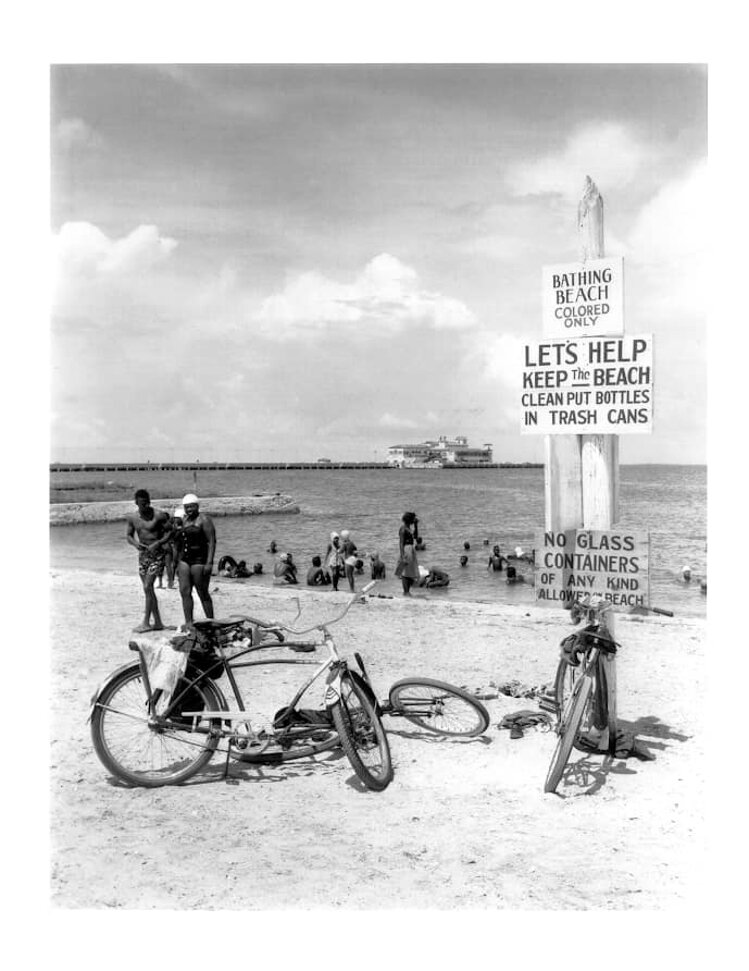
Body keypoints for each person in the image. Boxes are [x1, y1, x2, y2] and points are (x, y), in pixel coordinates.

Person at [126, 489, 173, 632]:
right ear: (136, 503)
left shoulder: (158, 515)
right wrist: (135, 544)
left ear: (149, 501)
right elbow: (128, 536)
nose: (145, 506)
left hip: (158, 555)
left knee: (147, 587)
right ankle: (158, 622)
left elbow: (170, 531)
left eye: (147, 503)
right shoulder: (133, 518)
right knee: (148, 590)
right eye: (142, 504)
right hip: (143, 556)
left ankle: (146, 622)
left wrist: (158, 543)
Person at [175, 494, 216, 627]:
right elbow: (178, 542)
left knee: (202, 591)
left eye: (191, 507)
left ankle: (211, 621)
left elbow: (212, 541)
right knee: (184, 591)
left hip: (200, 559)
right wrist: (175, 563)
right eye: (186, 507)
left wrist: (209, 563)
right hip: (185, 559)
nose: (189, 510)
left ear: (197, 506)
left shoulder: (204, 520)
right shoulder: (183, 520)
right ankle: (189, 622)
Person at [397, 511, 420, 596]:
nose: (414, 520)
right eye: (413, 519)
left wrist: (416, 526)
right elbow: (401, 543)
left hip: (410, 549)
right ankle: (406, 591)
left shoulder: (408, 528)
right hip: (406, 549)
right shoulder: (403, 529)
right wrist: (403, 556)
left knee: (410, 570)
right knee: (405, 571)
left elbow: (416, 537)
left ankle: (406, 591)